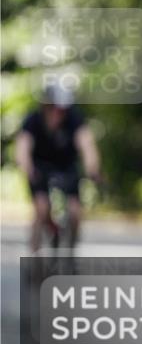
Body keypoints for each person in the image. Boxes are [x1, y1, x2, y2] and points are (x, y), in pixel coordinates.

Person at [15, 85, 101, 253]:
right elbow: (23, 148)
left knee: (75, 212)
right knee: (41, 209)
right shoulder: (33, 120)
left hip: (66, 166)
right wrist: (27, 168)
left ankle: (70, 250)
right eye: (54, 108)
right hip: (39, 166)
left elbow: (87, 145)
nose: (58, 113)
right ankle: (35, 252)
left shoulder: (74, 119)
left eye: (62, 110)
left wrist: (92, 168)